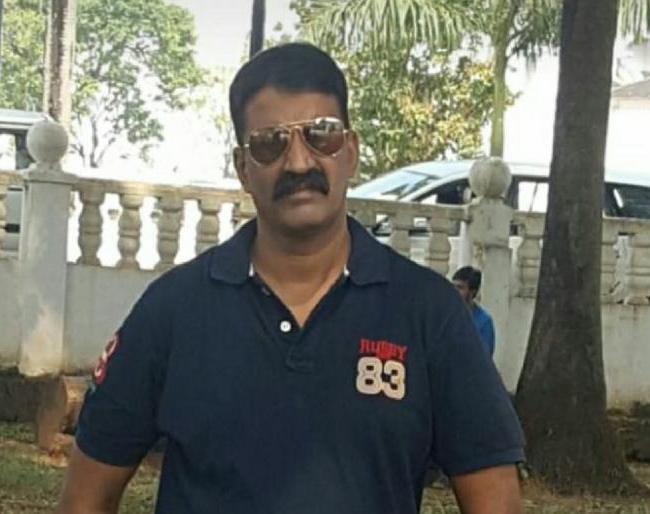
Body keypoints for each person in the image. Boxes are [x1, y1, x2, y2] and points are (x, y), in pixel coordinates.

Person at [55, 43, 525, 514]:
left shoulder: (428, 313)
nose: (299, 163)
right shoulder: (174, 310)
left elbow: (495, 500)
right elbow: (85, 498)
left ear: (351, 151)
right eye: (270, 143)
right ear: (243, 168)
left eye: (322, 135)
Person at [453, 266, 496, 357]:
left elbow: (483, 357)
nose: (454, 291)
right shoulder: (445, 316)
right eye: (453, 286)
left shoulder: (483, 322)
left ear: (472, 292)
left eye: (460, 287)